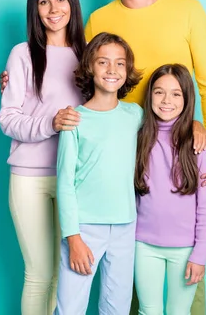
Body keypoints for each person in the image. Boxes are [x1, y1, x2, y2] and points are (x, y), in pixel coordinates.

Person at [84, 0, 206, 313]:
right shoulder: (98, 19)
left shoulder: (188, 10)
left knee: (186, 273)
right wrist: (25, 79)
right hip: (121, 158)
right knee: (125, 261)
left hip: (178, 151)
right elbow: (83, 82)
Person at [0, 0, 85, 314]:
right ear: (34, 10)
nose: (53, 9)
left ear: (71, 4)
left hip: (74, 179)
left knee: (67, 276)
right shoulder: (22, 54)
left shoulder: (88, 53)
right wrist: (50, 122)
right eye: (43, 2)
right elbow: (8, 117)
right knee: (39, 274)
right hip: (29, 178)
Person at [54, 32, 143, 315]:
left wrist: (197, 127)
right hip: (84, 228)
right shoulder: (75, 119)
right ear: (90, 68)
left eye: (119, 63)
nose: (112, 70)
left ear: (127, 70)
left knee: (117, 308)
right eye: (103, 62)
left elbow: (170, 125)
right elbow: (65, 183)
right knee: (70, 308)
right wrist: (73, 237)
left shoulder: (135, 115)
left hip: (125, 226)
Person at [133, 64, 206, 314]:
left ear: (187, 98)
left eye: (176, 94)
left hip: (185, 248)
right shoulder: (138, 137)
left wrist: (199, 255)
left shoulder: (198, 143)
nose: (166, 100)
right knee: (149, 311)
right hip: (143, 245)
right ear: (150, 96)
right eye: (159, 92)